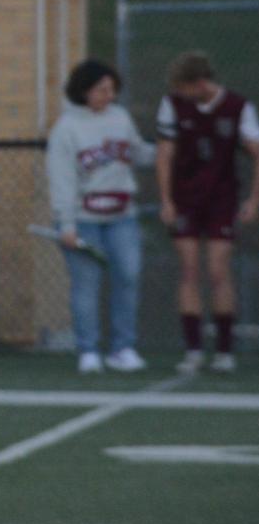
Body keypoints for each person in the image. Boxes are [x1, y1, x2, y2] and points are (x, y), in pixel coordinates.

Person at [47, 58, 157, 374]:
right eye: (102, 89)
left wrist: (165, 152)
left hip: (122, 215)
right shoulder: (67, 128)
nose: (109, 95)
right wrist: (65, 224)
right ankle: (89, 350)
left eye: (112, 89)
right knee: (86, 284)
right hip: (83, 218)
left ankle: (122, 348)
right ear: (84, 91)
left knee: (128, 275)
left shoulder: (120, 118)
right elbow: (62, 179)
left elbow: (137, 152)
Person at [157, 51, 259, 374]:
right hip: (185, 199)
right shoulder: (172, 105)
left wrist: (254, 200)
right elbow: (165, 156)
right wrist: (167, 201)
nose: (180, 93)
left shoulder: (238, 108)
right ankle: (194, 350)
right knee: (188, 270)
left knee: (218, 270)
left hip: (221, 199)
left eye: (184, 88)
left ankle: (225, 352)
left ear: (199, 84)